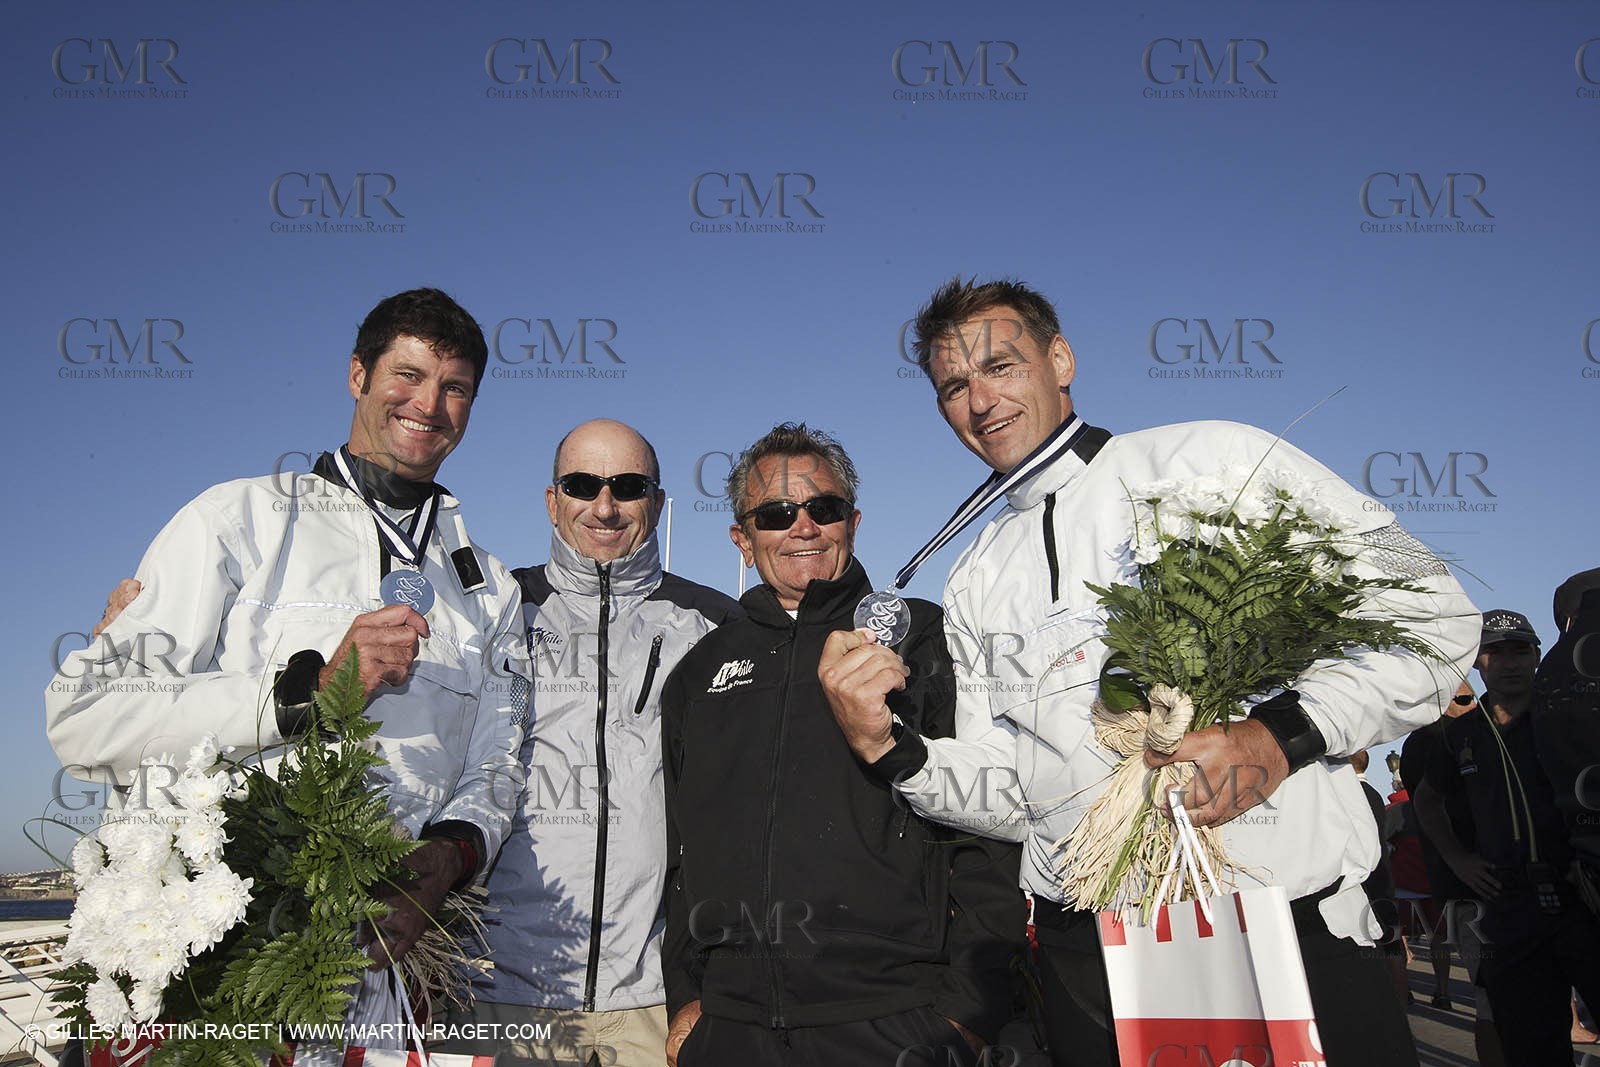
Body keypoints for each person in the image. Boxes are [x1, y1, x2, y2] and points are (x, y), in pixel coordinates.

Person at [818, 278, 1480, 1067]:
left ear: (1060, 358)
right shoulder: (972, 574)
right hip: (1083, 953)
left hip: (1273, 924)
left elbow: (1437, 614)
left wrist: (1283, 734)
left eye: (1001, 365)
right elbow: (1015, 790)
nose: (981, 400)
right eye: (954, 386)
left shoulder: (1217, 455)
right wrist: (890, 749)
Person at [46, 288, 532, 1036]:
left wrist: (448, 856)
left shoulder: (490, 587)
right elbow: (84, 718)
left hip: (395, 983)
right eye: (407, 375)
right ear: (356, 375)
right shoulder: (238, 517)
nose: (429, 404)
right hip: (225, 976)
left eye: (455, 386)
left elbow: (499, 760)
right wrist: (300, 695)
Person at [661, 423, 1023, 1067]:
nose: (802, 526)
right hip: (730, 1027)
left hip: (896, 1022)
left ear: (852, 521)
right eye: (774, 514)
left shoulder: (929, 638)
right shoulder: (698, 671)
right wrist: (688, 997)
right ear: (742, 539)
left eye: (821, 508)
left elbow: (987, 824)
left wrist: (969, 1013)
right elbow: (679, 848)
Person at [437, 419, 741, 1066]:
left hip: (657, 1005)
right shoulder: (492, 613)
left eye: (628, 486)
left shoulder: (720, 626)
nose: (604, 506)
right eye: (582, 484)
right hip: (496, 992)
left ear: (657, 502)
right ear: (553, 500)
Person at [1420, 608, 1600, 1061]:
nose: (1510, 662)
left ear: (1539, 655)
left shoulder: (1572, 715)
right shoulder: (1460, 735)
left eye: (1520, 650)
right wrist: (1458, 859)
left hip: (1584, 899)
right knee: (1531, 1047)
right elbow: (1426, 802)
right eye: (1494, 653)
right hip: (1510, 908)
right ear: (1477, 662)